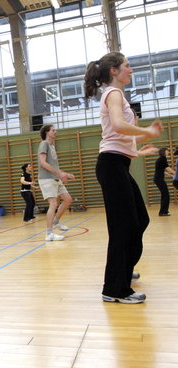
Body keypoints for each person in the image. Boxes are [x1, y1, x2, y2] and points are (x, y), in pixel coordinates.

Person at [84, 51, 162, 304]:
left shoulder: (117, 95)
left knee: (139, 218)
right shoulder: (114, 94)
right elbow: (118, 126)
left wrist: (143, 142)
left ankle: (123, 272)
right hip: (111, 165)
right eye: (127, 66)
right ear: (114, 70)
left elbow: (122, 137)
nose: (131, 69)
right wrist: (145, 130)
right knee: (123, 227)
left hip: (118, 164)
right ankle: (115, 288)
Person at [37, 125, 75, 241]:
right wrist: (60, 174)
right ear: (47, 133)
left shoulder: (52, 146)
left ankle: (55, 222)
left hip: (55, 178)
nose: (55, 132)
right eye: (53, 130)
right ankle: (49, 234)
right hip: (46, 178)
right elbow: (43, 163)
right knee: (53, 204)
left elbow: (53, 166)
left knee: (68, 199)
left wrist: (64, 174)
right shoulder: (44, 144)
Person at [153, 147, 174, 216]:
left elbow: (163, 171)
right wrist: (176, 174)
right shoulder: (163, 158)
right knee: (166, 195)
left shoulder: (161, 159)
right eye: (167, 151)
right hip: (159, 179)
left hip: (158, 179)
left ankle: (162, 211)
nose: (168, 152)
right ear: (164, 151)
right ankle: (163, 212)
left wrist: (172, 176)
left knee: (164, 194)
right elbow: (168, 169)